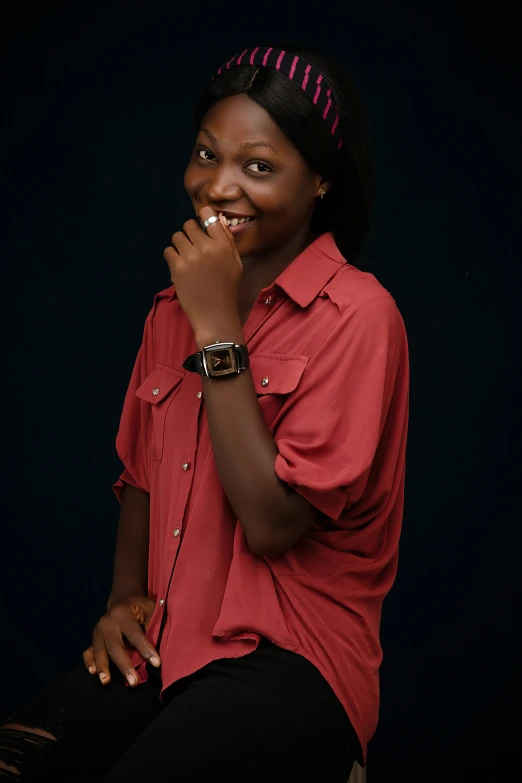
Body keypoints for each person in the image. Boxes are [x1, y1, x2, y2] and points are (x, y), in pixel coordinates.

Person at [0, 44, 409, 782]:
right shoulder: (170, 311)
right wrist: (125, 597)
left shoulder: (359, 315)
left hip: (293, 662)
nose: (218, 186)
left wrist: (218, 328)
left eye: (258, 165)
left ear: (320, 178)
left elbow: (275, 523)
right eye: (206, 154)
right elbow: (141, 478)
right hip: (172, 648)